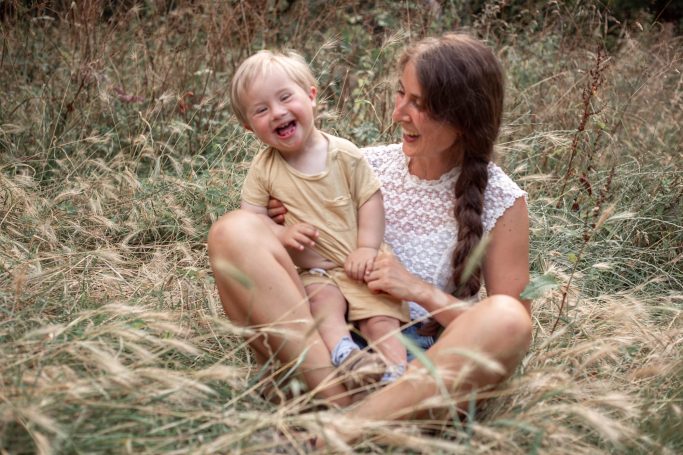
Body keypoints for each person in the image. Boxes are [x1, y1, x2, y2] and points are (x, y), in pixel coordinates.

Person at [208, 32, 532, 431]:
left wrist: (416, 289)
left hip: (425, 369)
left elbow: (508, 338)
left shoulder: (502, 200)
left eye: (419, 104)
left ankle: (342, 429)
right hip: (325, 349)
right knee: (232, 231)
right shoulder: (361, 162)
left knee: (508, 318)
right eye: (401, 94)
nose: (398, 113)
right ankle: (339, 405)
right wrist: (278, 230)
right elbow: (278, 258)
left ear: (462, 116)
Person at [228, 50, 410, 393]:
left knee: (381, 319)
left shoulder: (343, 153)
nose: (278, 112)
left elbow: (370, 198)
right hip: (316, 272)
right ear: (248, 126)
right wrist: (282, 232)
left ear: (311, 97)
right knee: (320, 308)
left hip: (364, 264)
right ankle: (347, 356)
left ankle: (396, 375)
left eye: (285, 98)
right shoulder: (264, 168)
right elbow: (250, 219)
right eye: (261, 109)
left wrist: (367, 248)